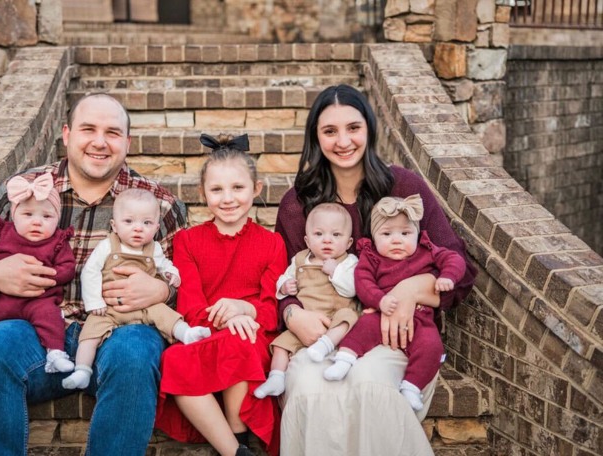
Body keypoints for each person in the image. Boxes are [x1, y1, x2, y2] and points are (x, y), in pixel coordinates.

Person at [0, 93, 187, 455]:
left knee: (137, 352)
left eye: (112, 132)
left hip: (119, 332)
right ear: (66, 134)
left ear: (127, 142)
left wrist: (161, 291)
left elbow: (190, 278)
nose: (99, 141)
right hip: (33, 331)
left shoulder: (158, 204)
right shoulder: (25, 191)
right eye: (88, 129)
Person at [274, 84, 476, 455]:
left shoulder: (403, 187)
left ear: (369, 128)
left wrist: (411, 289)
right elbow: (281, 277)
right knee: (307, 387)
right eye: (330, 131)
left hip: (396, 334)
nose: (343, 141)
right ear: (315, 138)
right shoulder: (297, 203)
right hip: (322, 330)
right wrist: (291, 315)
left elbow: (459, 270)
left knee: (371, 385)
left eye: (353, 127)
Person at [154, 134, 286, 456]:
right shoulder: (188, 241)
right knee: (173, 358)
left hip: (253, 337)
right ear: (203, 194)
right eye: (217, 189)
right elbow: (191, 306)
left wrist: (245, 309)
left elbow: (272, 311)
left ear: (256, 189)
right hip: (207, 333)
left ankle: (238, 438)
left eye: (238, 188)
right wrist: (225, 318)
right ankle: (234, 451)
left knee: (239, 341)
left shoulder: (272, 244)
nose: (228, 198)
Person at [325, 194, 467, 412]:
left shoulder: (426, 251)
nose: (397, 239)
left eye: (405, 233)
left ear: (417, 234)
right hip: (381, 313)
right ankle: (345, 359)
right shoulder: (371, 257)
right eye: (387, 233)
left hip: (419, 319)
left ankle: (411, 387)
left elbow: (454, 259)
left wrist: (447, 277)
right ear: (374, 237)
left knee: (431, 346)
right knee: (362, 327)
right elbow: (362, 282)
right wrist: (379, 300)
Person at [62, 188, 210, 390]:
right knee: (90, 332)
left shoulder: (154, 248)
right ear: (114, 225)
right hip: (109, 309)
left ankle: (187, 334)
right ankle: (82, 370)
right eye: (129, 222)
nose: (138, 229)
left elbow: (164, 265)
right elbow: (90, 271)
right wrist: (95, 302)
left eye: (146, 223)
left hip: (145, 307)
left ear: (156, 227)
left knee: (165, 314)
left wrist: (171, 275)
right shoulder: (107, 246)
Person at [0, 172, 76, 375]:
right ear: (14, 215)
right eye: (28, 215)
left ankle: (55, 353)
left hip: (38, 300)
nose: (37, 222)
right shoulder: (2, 233)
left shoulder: (57, 241)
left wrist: (52, 275)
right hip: (3, 301)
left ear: (57, 219)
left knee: (51, 317)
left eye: (46, 216)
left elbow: (68, 268)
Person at [254, 202, 358, 399]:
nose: (327, 240)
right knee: (280, 345)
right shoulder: (300, 259)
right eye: (319, 234)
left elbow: (353, 288)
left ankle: (326, 344)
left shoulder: (349, 262)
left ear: (349, 243)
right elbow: (284, 278)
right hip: (306, 319)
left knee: (348, 317)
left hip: (335, 315)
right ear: (307, 241)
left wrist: (335, 272)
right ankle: (276, 378)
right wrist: (285, 287)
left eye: (336, 235)